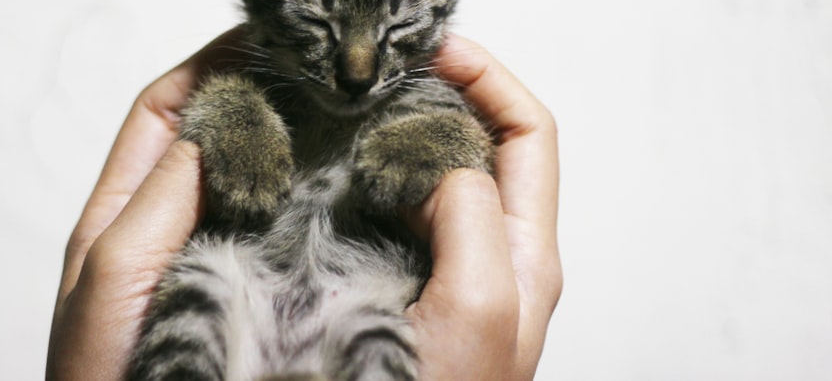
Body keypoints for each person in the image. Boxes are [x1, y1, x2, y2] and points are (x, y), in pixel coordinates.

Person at [46, 30, 562, 380]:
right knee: (201, 280)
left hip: (366, 309)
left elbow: (468, 145)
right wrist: (234, 109)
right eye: (316, 22)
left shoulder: (432, 92)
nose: (358, 70)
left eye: (396, 25)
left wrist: (447, 139)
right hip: (232, 297)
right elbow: (214, 108)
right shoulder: (254, 82)